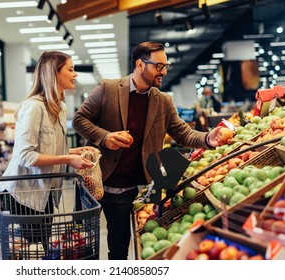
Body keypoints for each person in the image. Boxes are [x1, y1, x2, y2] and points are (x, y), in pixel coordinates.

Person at [72, 41, 224, 260]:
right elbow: (79, 119)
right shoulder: (109, 88)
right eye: (158, 66)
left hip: (127, 190)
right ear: (140, 64)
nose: (163, 72)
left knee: (119, 249)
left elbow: (183, 134)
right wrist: (104, 137)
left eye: (165, 66)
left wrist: (208, 138)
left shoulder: (163, 101)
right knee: (83, 248)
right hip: (93, 182)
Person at [0, 51, 98, 247]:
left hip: (45, 192)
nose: (75, 74)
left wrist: (73, 152)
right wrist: (67, 160)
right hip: (24, 196)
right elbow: (26, 156)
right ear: (54, 73)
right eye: (70, 69)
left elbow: (47, 149)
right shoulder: (34, 107)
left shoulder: (59, 107)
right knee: (28, 252)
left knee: (40, 249)